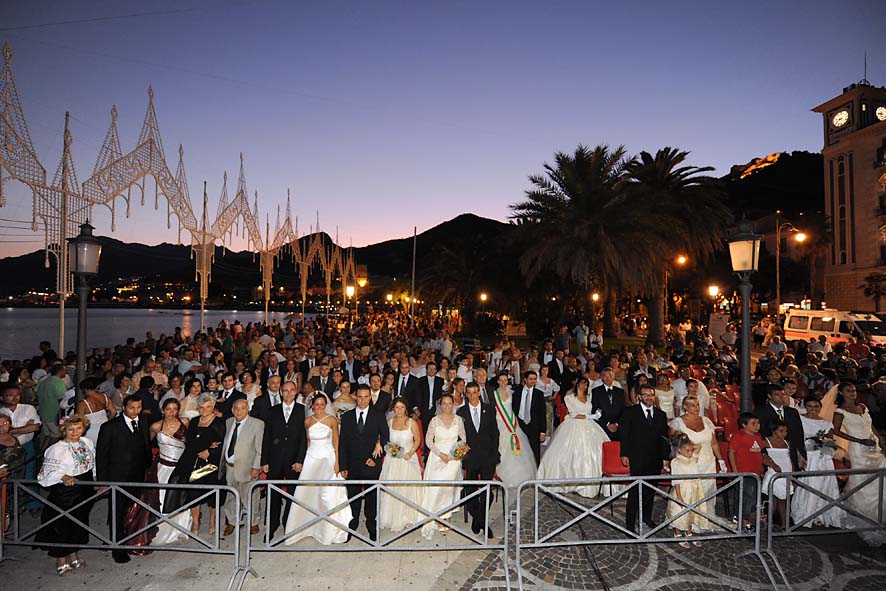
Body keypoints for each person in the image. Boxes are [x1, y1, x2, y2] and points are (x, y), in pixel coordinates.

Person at [283, 393, 352, 545]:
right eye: (317, 404)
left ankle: (328, 530)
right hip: (311, 459)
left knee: (326, 494)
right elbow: (307, 442)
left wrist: (337, 463)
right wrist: (303, 461)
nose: (319, 407)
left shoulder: (332, 420)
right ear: (312, 406)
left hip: (328, 459)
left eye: (322, 404)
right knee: (307, 493)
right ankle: (306, 528)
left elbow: (336, 442)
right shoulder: (307, 421)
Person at [35, 414, 95, 576]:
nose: (75, 432)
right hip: (66, 492)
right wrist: (63, 477)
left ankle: (74, 555)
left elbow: (91, 463)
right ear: (64, 430)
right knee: (62, 525)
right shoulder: (56, 449)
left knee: (79, 522)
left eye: (78, 428)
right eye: (70, 429)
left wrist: (95, 480)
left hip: (84, 487)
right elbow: (46, 473)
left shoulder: (87, 442)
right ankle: (61, 559)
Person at [95, 395, 152, 563]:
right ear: (123, 408)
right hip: (117, 478)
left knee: (132, 509)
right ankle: (116, 547)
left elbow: (145, 446)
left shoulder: (143, 421)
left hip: (138, 475)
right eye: (132, 408)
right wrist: (102, 481)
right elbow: (102, 456)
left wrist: (148, 468)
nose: (136, 411)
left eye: (139, 407)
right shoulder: (109, 427)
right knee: (117, 512)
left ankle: (130, 539)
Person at [832, 383, 886, 545]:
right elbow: (835, 430)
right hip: (858, 449)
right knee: (862, 480)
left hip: (873, 446)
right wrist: (858, 440)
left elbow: (871, 427)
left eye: (854, 390)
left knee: (880, 477)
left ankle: (880, 512)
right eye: (848, 391)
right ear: (841, 393)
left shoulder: (863, 407)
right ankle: (864, 515)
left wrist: (880, 441)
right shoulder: (840, 411)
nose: (852, 393)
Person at [536, 377, 608, 498]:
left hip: (590, 427)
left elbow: (591, 411)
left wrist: (595, 415)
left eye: (586, 385)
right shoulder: (569, 397)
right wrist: (590, 417)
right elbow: (573, 414)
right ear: (577, 384)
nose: (584, 387)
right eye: (582, 384)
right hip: (574, 425)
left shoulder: (589, 397)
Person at [339, 384, 389, 541]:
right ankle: (352, 524)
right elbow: (343, 443)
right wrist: (343, 466)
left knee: (371, 497)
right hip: (352, 465)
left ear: (370, 397)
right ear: (355, 397)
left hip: (371, 464)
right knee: (352, 496)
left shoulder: (379, 415)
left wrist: (376, 458)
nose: (362, 400)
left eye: (366, 396)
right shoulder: (346, 417)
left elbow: (386, 438)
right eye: (359, 397)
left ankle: (371, 525)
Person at [171, 394, 225, 537]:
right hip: (193, 462)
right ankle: (195, 522)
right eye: (201, 407)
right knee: (193, 493)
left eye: (208, 407)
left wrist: (211, 451)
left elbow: (224, 444)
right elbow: (189, 442)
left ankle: (213, 523)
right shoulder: (194, 421)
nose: (204, 410)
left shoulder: (220, 422)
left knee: (213, 494)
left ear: (213, 407)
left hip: (210, 464)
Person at [668, 396, 726, 530]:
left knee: (707, 491)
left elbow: (714, 443)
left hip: (708, 461)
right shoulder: (678, 423)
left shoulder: (706, 421)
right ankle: (688, 521)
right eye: (692, 405)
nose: (696, 407)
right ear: (685, 407)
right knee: (690, 492)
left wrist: (721, 460)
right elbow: (675, 445)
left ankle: (703, 519)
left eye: (698, 404)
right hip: (689, 462)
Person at [260, 380, 307, 542]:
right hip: (274, 460)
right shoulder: (272, 411)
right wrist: (264, 461)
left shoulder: (303, 410)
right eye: (285, 390)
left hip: (294, 461)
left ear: (296, 392)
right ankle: (271, 527)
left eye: (291, 390)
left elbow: (304, 439)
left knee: (293, 494)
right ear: (280, 392)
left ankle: (288, 524)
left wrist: (300, 460)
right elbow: (267, 437)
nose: (288, 393)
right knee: (273, 494)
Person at [619, 384, 670, 532]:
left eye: (651, 394)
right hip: (637, 457)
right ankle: (629, 524)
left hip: (655, 459)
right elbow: (624, 435)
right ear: (639, 396)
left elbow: (664, 438)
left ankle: (646, 517)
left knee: (650, 491)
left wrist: (665, 457)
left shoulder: (661, 415)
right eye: (646, 395)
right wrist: (624, 454)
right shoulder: (630, 412)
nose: (649, 397)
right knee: (635, 492)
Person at [791, 397, 846, 529]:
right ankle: (807, 512)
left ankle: (823, 513)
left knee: (825, 483)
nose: (814, 409)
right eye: (810, 406)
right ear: (806, 406)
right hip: (808, 456)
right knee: (810, 482)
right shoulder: (800, 419)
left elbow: (830, 438)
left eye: (816, 406)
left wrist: (827, 443)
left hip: (823, 455)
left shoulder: (826, 422)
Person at [421, 392, 467, 538]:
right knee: (438, 488)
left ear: (453, 405)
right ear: (440, 405)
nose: (447, 406)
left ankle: (447, 518)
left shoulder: (458, 420)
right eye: (444, 404)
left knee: (449, 489)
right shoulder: (434, 420)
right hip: (437, 456)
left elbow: (464, 439)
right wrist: (440, 454)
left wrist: (456, 454)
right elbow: (428, 440)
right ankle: (437, 516)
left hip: (453, 459)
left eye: (449, 403)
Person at [457, 384, 499, 537]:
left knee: (487, 490)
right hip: (471, 458)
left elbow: (495, 433)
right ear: (466, 394)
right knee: (470, 490)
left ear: (479, 394)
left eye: (475, 393)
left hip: (488, 457)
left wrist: (495, 453)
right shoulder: (461, 412)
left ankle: (481, 521)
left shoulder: (489, 409)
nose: (472, 396)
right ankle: (479, 519)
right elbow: (459, 437)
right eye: (469, 393)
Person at [150, 399, 192, 545]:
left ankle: (180, 529)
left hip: (181, 468)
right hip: (163, 468)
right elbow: (146, 444)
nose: (171, 412)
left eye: (175, 409)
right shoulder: (156, 426)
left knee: (180, 497)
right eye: (168, 409)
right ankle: (162, 531)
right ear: (162, 410)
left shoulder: (185, 422)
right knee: (162, 498)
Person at [220, 398, 264, 536]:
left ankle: (253, 522)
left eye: (242, 408)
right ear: (232, 410)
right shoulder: (228, 422)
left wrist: (256, 466)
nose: (239, 411)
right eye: (236, 408)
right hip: (230, 467)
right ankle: (232, 521)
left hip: (248, 467)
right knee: (231, 495)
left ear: (248, 409)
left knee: (251, 496)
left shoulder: (257, 424)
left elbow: (260, 448)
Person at [379, 398, 423, 533]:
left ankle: (409, 517)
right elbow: (383, 438)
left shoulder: (412, 423)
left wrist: (410, 453)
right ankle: (393, 518)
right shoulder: (389, 422)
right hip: (393, 460)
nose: (399, 410)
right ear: (393, 409)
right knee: (394, 488)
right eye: (397, 407)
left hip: (407, 459)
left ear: (406, 408)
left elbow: (418, 440)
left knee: (407, 488)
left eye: (402, 407)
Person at [728, 412, 774, 531]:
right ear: (744, 424)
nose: (757, 426)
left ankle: (743, 518)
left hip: (756, 472)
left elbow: (758, 453)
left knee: (753, 498)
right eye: (753, 423)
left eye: (758, 423)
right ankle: (743, 521)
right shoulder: (739, 436)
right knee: (746, 497)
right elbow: (732, 452)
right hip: (744, 472)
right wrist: (735, 471)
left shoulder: (758, 436)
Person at [491, 372, 537, 486]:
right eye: (500, 380)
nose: (503, 382)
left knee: (518, 449)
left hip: (512, 424)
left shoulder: (511, 393)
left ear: (508, 381)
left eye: (505, 380)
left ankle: (521, 475)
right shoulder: (493, 394)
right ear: (497, 381)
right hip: (500, 423)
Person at [1, 383, 41, 508]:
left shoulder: (28, 408)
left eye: (17, 395)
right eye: (10, 395)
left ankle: (33, 505)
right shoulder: (1, 411)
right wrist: (25, 428)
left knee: (28, 475)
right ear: (2, 398)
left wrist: (10, 431)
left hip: (25, 446)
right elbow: (29, 427)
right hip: (3, 449)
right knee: (6, 479)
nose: (15, 398)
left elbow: (35, 426)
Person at [667, 433, 708, 547]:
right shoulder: (676, 462)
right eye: (687, 451)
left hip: (694, 489)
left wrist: (686, 440)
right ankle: (677, 532)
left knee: (691, 512)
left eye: (691, 450)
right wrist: (679, 496)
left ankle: (689, 532)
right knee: (680, 512)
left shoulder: (692, 458)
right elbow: (676, 481)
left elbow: (699, 446)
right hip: (683, 490)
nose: (690, 453)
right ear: (679, 450)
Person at [756, 383, 806, 471]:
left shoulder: (792, 412)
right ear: (769, 396)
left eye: (783, 394)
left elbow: (798, 433)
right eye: (777, 395)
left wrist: (801, 452)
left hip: (790, 451)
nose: (781, 397)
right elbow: (760, 432)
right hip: (771, 449)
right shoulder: (761, 411)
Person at [761, 420, 795, 528]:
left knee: (782, 499)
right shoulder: (766, 442)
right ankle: (769, 522)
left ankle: (783, 523)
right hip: (774, 471)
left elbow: (790, 458)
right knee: (775, 498)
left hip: (786, 471)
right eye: (781, 431)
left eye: (785, 431)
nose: (784, 433)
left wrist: (793, 474)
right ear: (773, 431)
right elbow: (762, 456)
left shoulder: (787, 443)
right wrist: (772, 464)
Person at [512, 370, 546, 465]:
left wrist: (543, 431)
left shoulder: (539, 394)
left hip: (534, 426)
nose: (533, 381)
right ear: (525, 380)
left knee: (535, 450)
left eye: (535, 379)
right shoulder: (517, 392)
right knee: (521, 450)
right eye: (530, 379)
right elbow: (514, 408)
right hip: (519, 425)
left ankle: (536, 472)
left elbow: (542, 413)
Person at [75, 377, 115, 444]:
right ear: (97, 387)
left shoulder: (83, 403)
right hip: (104, 429)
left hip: (90, 432)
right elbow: (113, 411)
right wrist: (107, 421)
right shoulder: (105, 397)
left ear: (84, 389)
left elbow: (80, 419)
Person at [37, 364, 68, 450]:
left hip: (43, 413)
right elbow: (62, 400)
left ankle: (41, 453)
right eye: (65, 370)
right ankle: (48, 455)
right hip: (54, 415)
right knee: (57, 436)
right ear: (60, 371)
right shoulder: (58, 382)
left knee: (48, 436)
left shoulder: (44, 382)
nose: (66, 372)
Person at [591, 367, 625, 441]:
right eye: (605, 376)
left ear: (614, 377)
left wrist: (616, 424)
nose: (607, 378)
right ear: (601, 378)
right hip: (603, 425)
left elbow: (623, 410)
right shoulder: (596, 391)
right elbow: (594, 409)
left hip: (618, 426)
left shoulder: (620, 392)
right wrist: (607, 424)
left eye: (610, 375)